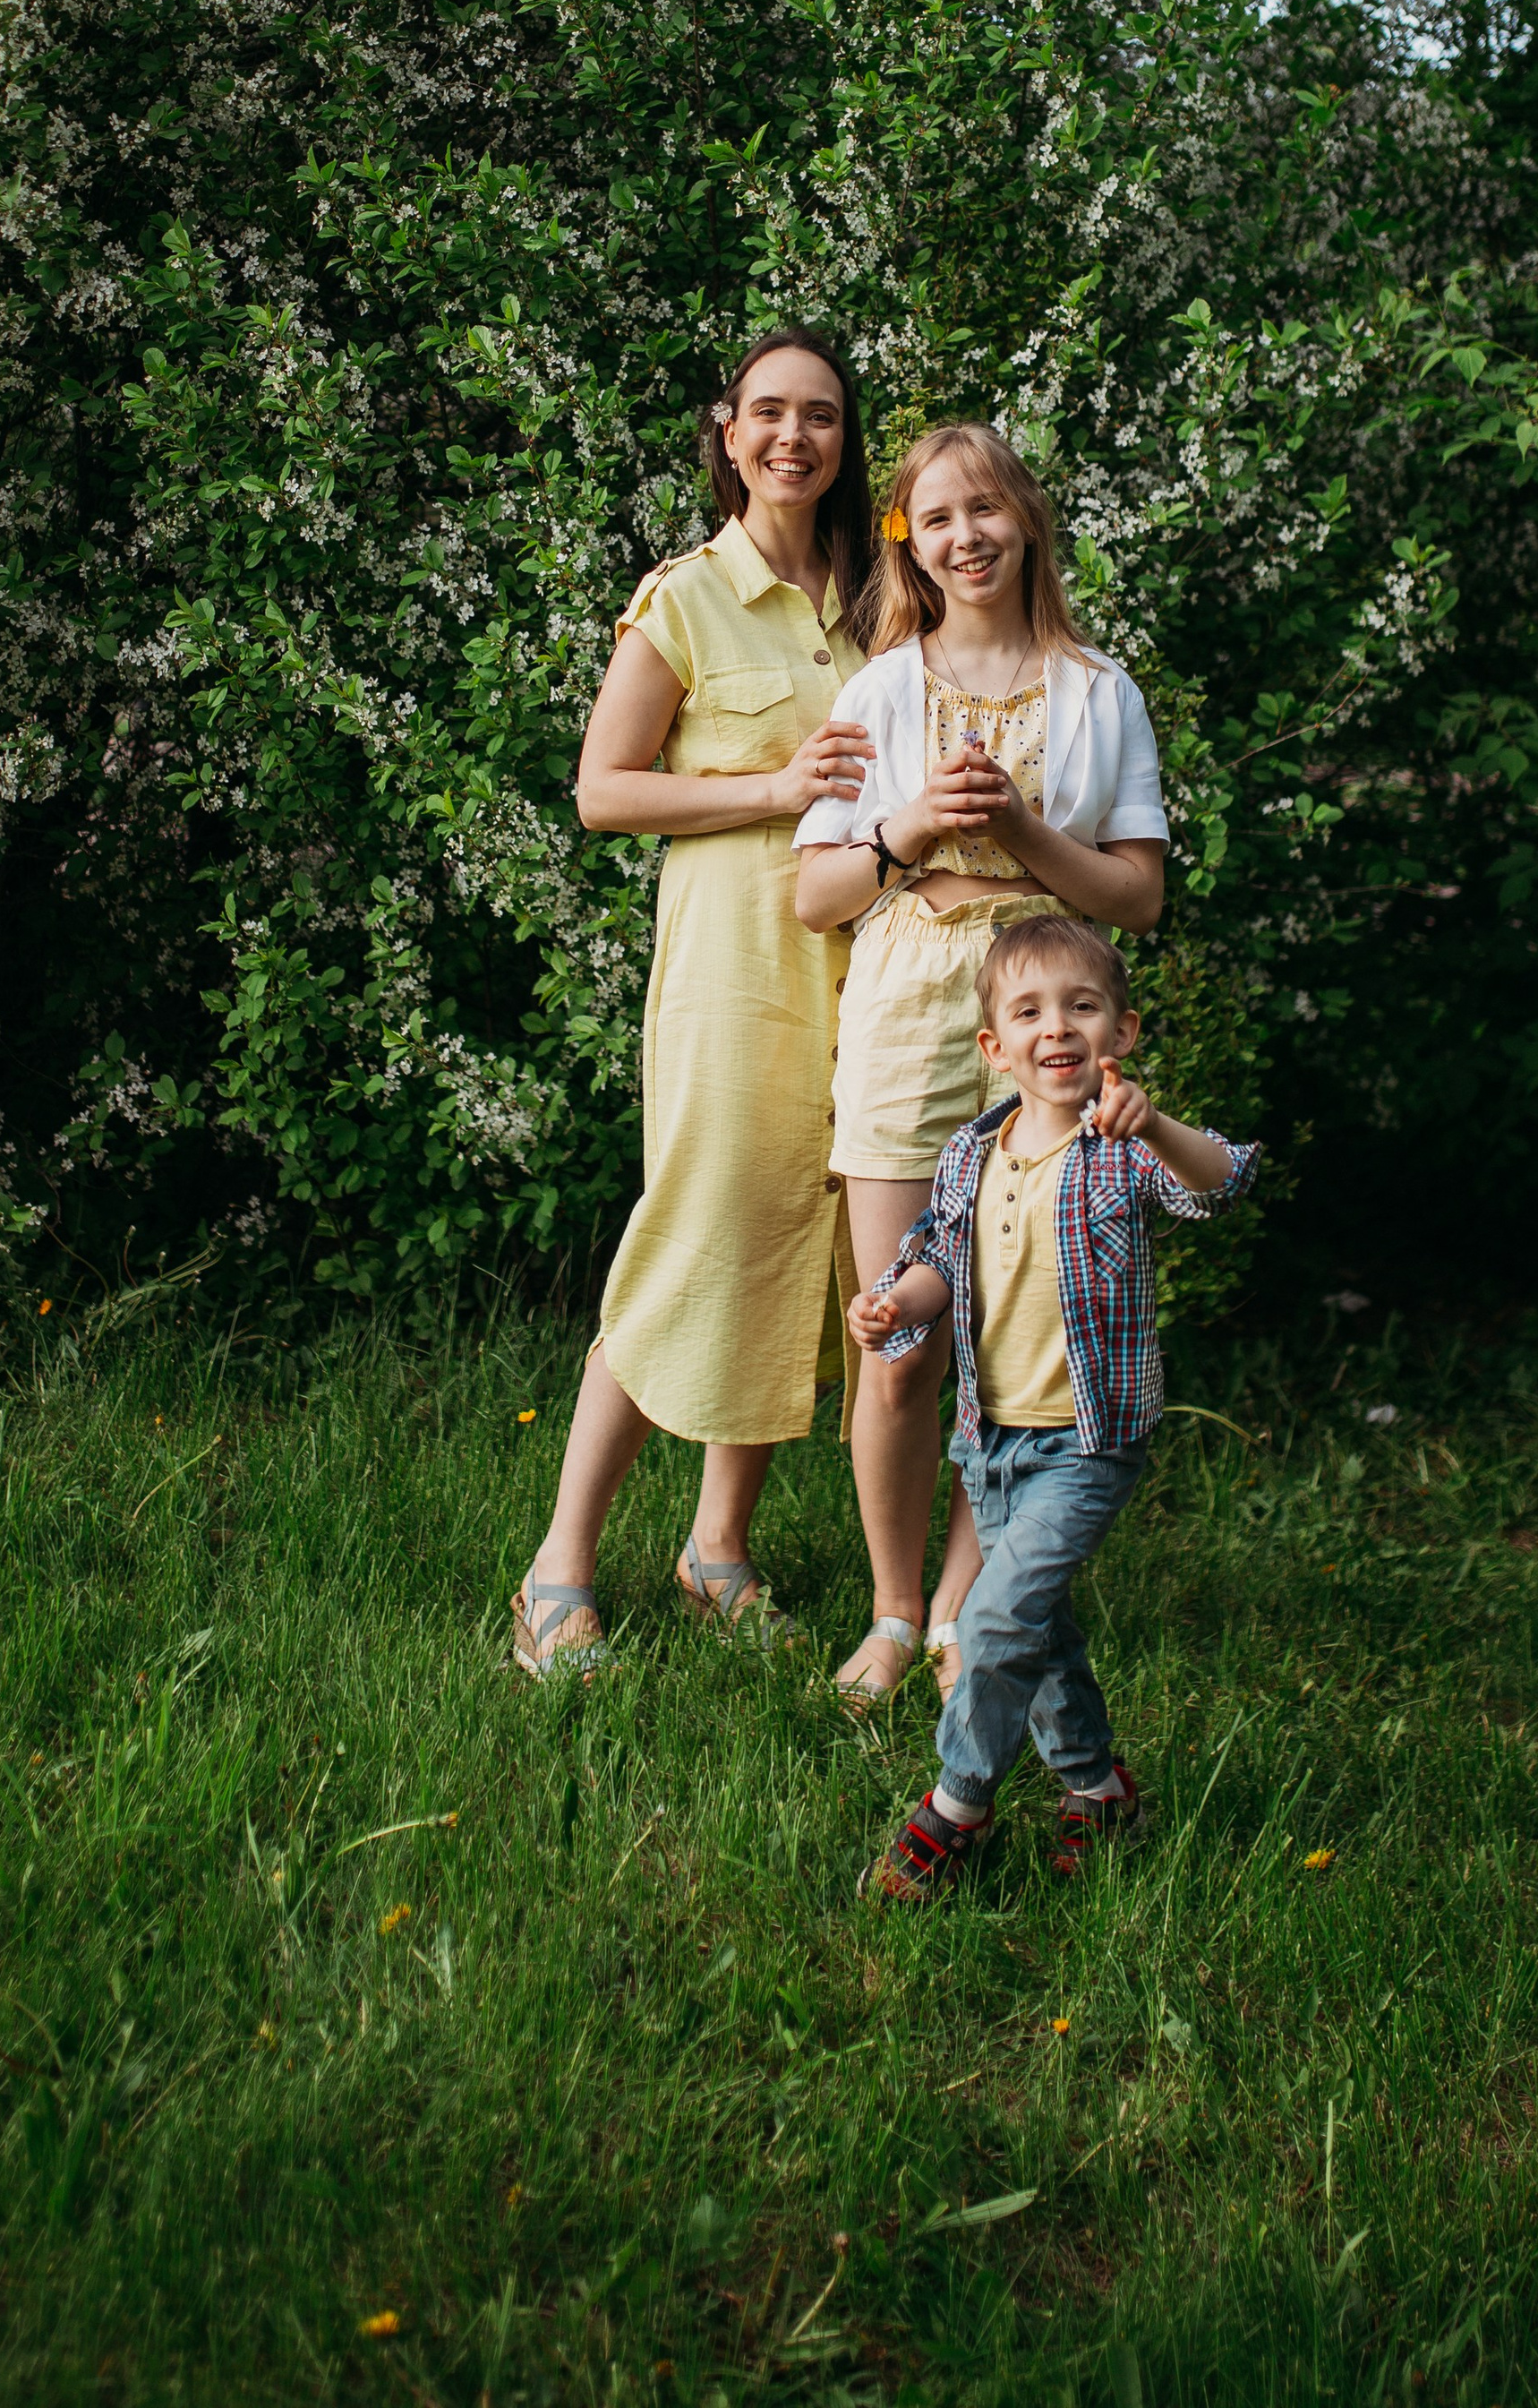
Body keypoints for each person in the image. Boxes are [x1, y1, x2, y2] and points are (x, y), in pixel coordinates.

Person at [512, 329, 877, 1678]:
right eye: (769, 413)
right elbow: (606, 792)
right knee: (696, 1231)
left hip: (866, 963)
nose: (795, 437)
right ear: (729, 433)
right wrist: (773, 789)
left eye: (822, 417)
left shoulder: (877, 596)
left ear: (846, 443)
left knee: (808, 1230)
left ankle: (718, 1548)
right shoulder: (686, 597)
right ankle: (559, 1571)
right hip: (734, 968)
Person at [792, 425, 1167, 1705]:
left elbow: (1136, 899)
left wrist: (1020, 824)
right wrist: (907, 829)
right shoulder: (880, 692)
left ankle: (965, 1601)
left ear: (1030, 523)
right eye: (937, 517)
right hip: (907, 1010)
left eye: (989, 509)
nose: (967, 536)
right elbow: (813, 895)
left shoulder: (1099, 692)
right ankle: (893, 1607)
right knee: (902, 1337)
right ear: (909, 538)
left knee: (1017, 1337)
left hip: (1045, 1021)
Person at [848, 914, 1257, 1898]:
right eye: (1029, 1012)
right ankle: (1095, 1788)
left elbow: (1226, 1180)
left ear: (1120, 1032)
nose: (1057, 1028)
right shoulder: (969, 1154)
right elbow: (941, 1256)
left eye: (1081, 1007)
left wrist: (1153, 1122)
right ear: (995, 1048)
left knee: (990, 1624)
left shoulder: (1120, 1146)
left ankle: (956, 1810)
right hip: (991, 1443)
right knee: (1041, 1627)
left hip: (1090, 1438)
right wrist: (894, 1303)